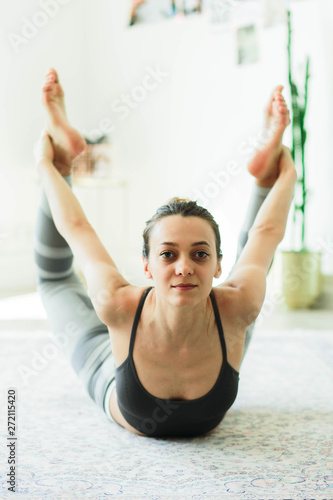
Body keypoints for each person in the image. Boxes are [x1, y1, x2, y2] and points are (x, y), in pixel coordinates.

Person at [34, 69, 296, 438]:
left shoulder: (237, 308)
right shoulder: (119, 306)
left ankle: (267, 173)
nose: (184, 267)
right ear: (146, 265)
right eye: (168, 255)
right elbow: (77, 228)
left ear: (220, 263)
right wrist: (49, 167)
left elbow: (266, 234)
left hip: (219, 324)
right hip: (118, 374)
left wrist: (287, 174)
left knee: (242, 302)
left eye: (201, 255)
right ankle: (64, 160)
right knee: (55, 280)